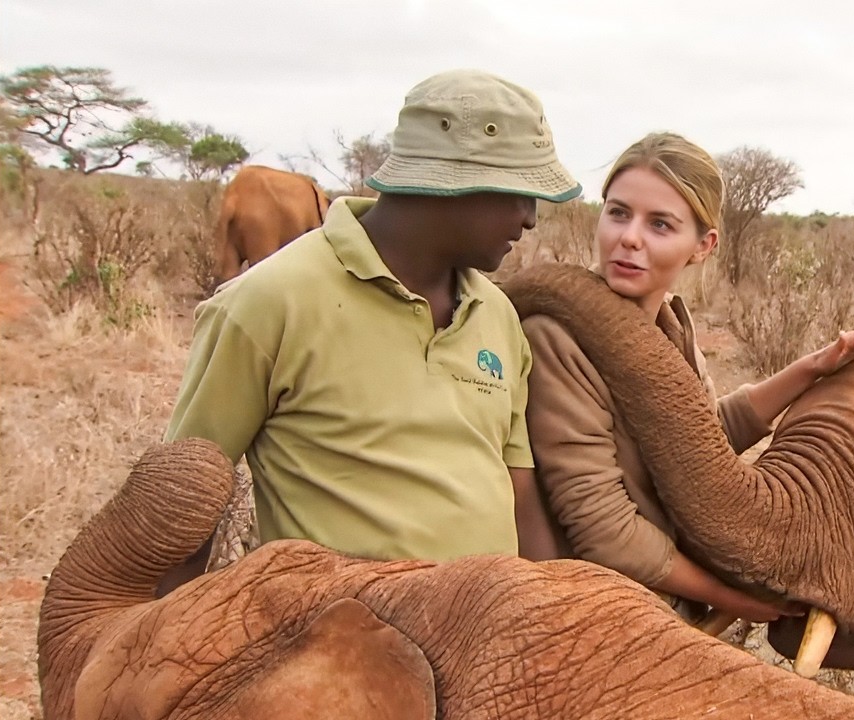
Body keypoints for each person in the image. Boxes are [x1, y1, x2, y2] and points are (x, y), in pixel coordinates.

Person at [158, 69, 580, 594]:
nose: (532, 218)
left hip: (485, 646)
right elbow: (182, 506)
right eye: (519, 193)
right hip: (337, 652)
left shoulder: (495, 315)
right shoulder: (267, 303)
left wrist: (549, 615)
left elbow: (517, 494)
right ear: (447, 181)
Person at [521, 132, 854, 625]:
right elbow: (603, 529)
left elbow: (697, 441)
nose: (629, 238)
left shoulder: (668, 325)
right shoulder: (557, 339)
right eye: (618, 213)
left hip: (661, 610)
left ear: (702, 246)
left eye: (660, 224)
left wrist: (816, 366)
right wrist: (735, 600)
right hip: (593, 618)